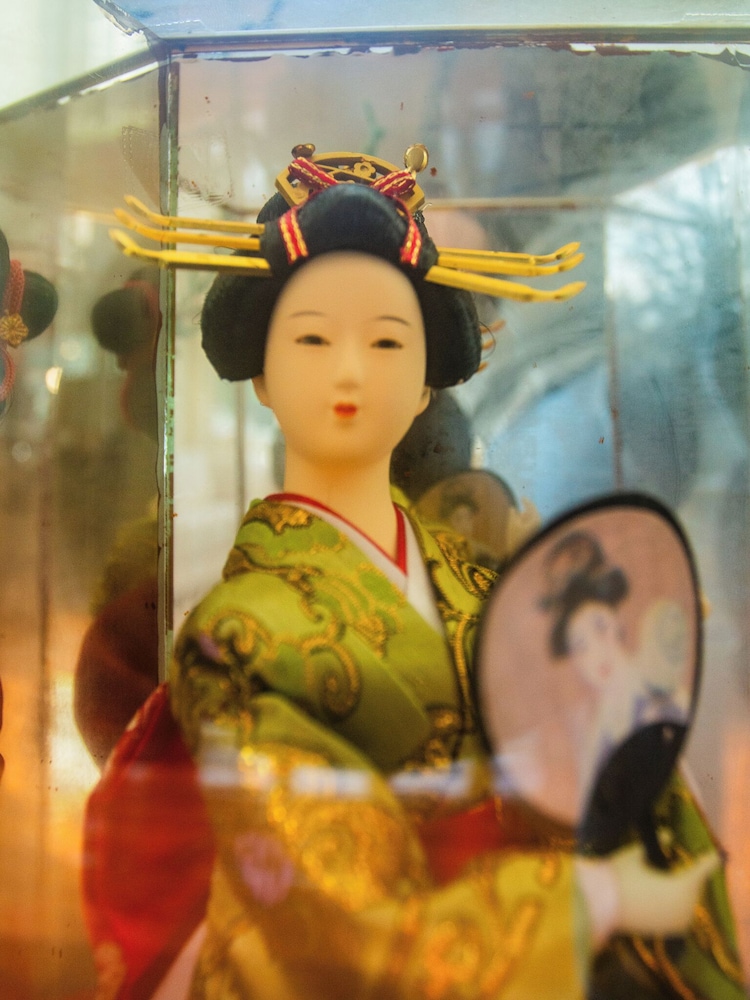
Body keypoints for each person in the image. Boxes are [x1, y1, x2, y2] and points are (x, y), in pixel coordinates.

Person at [85, 150, 745, 1000]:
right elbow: (334, 913)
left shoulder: (483, 586)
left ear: (428, 383)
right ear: (261, 377)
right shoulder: (237, 636)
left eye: (388, 340)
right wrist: (595, 899)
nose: (351, 369)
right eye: (313, 338)